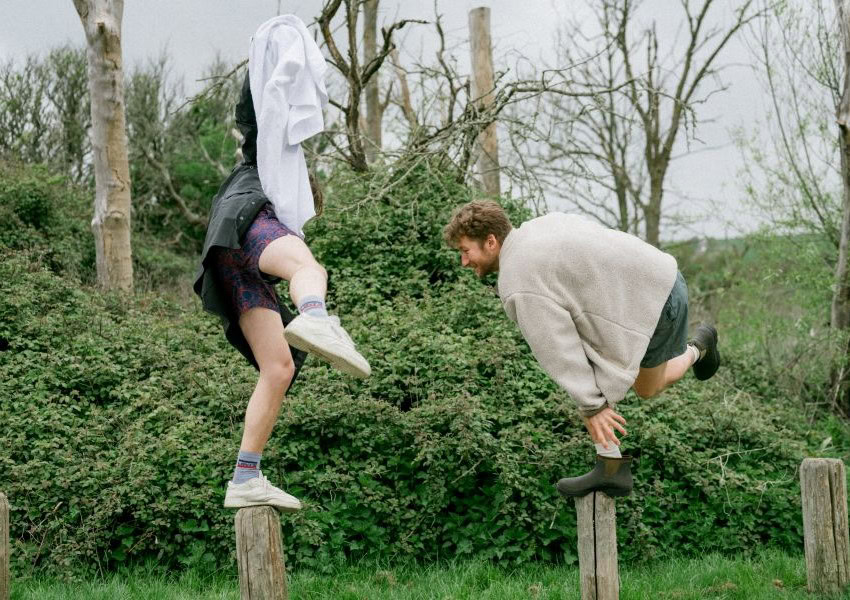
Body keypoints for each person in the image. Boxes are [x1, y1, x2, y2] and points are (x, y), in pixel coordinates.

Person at [193, 15, 370, 513]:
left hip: (231, 259)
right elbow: (254, 116)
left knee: (278, 367)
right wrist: (273, 45)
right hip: (244, 219)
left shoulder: (264, 208)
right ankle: (317, 316)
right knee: (310, 269)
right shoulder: (262, 168)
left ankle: (245, 476)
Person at [443, 200, 720, 498]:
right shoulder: (536, 228)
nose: (464, 262)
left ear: (491, 241)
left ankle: (698, 348)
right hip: (660, 278)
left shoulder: (519, 278)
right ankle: (613, 464)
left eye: (465, 251)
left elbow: (558, 348)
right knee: (597, 378)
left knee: (633, 388)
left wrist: (592, 406)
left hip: (655, 300)